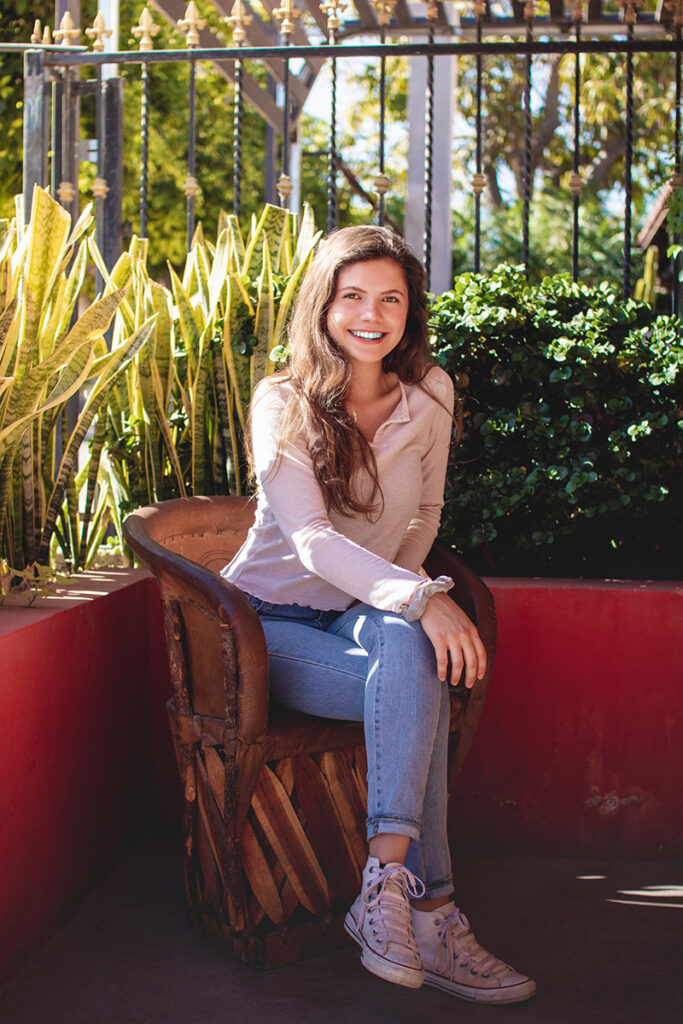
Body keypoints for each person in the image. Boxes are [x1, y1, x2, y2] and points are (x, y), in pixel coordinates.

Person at [221, 225, 536, 1005]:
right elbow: (310, 539)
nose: (371, 314)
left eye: (390, 299)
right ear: (322, 306)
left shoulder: (430, 393)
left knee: (410, 657)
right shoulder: (281, 401)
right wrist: (420, 598)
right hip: (268, 625)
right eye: (352, 296)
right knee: (417, 668)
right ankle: (432, 914)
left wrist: (399, 595)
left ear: (409, 312)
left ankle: (384, 887)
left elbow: (423, 515)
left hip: (361, 610)